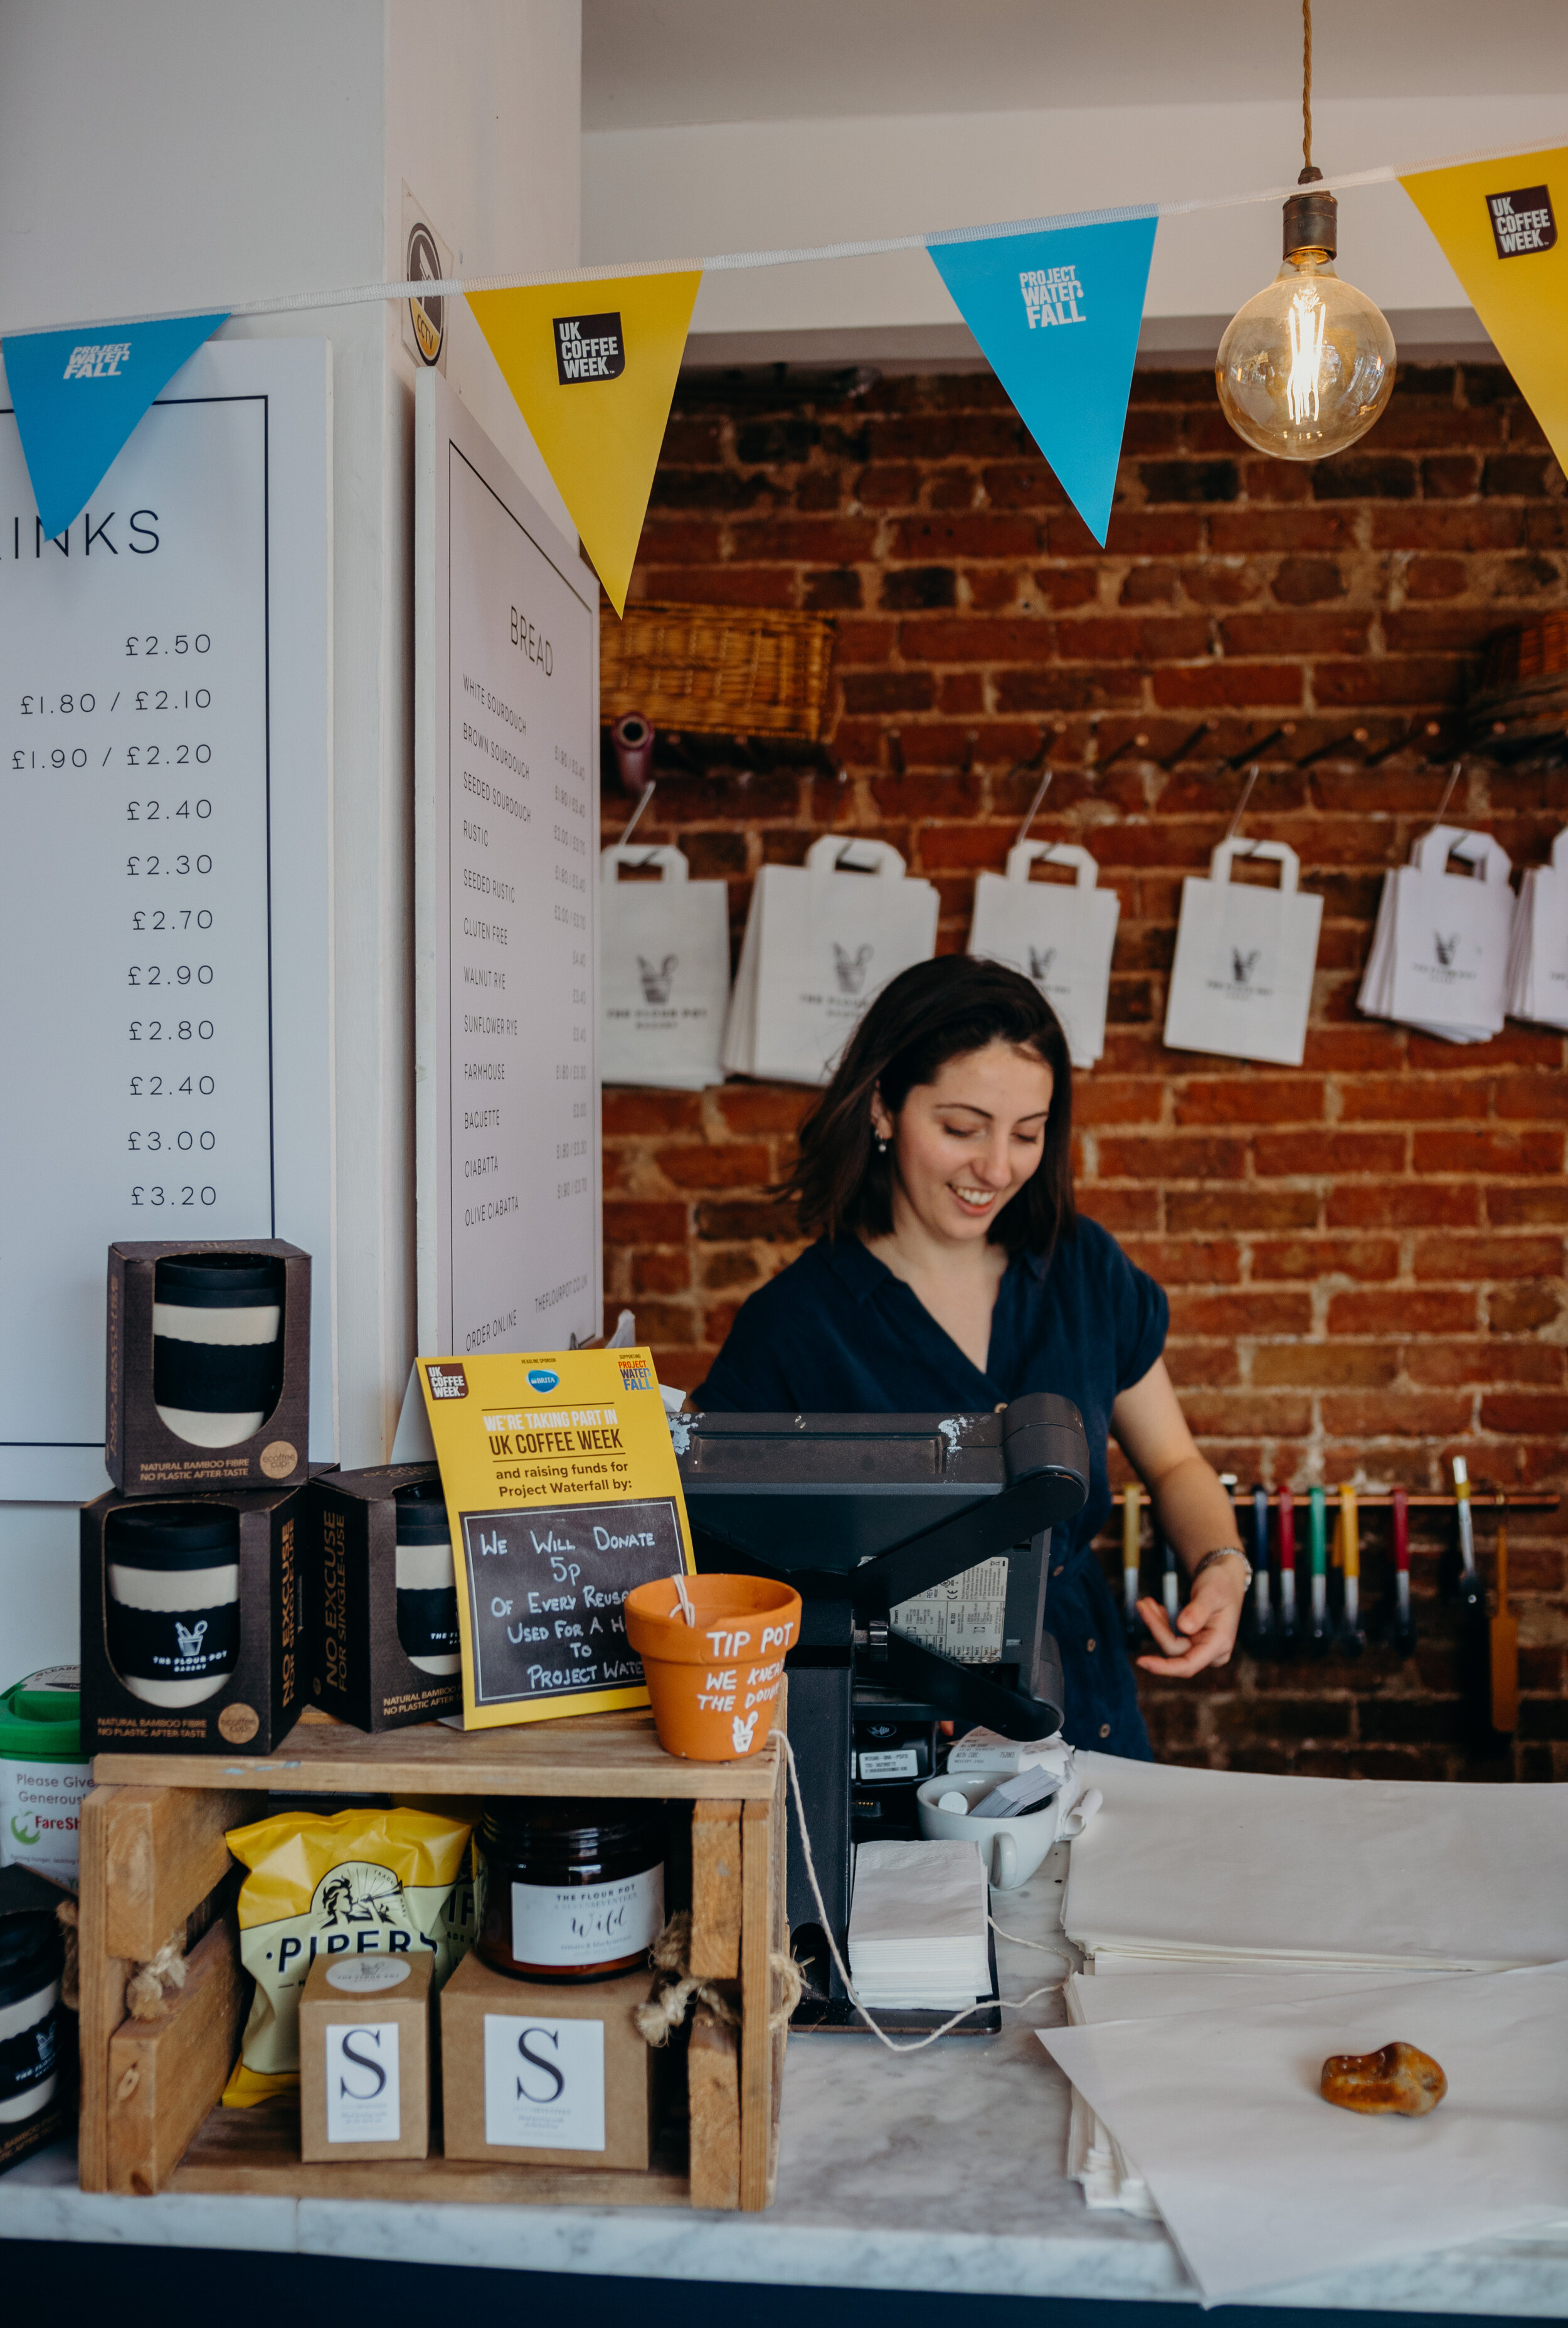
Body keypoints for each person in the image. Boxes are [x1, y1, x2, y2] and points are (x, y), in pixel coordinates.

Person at [692, 955, 1249, 1759]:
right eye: (961, 1128)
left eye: (1028, 1133)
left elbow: (1175, 1463)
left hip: (1089, 1711)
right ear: (883, 1106)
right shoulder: (793, 1326)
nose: (996, 1168)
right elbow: (726, 1561)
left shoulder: (1083, 1270)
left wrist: (1223, 1566)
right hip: (901, 1743)